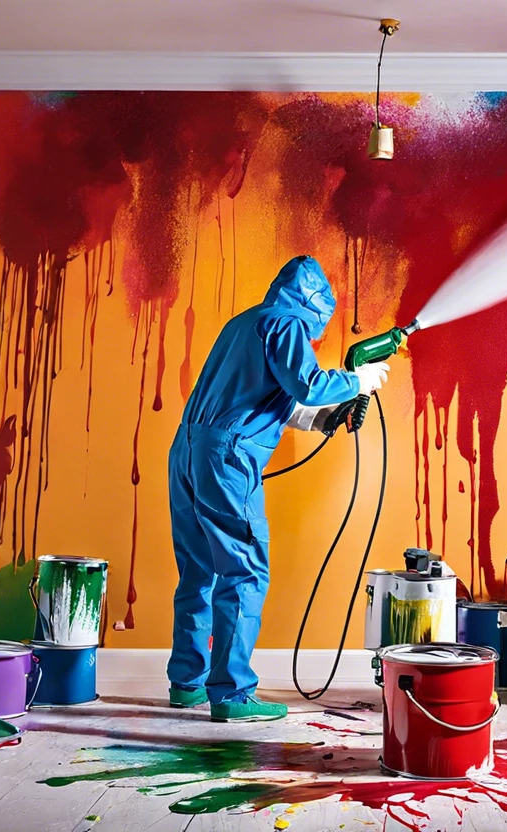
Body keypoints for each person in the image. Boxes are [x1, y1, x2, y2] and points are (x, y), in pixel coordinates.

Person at [166, 255, 389, 721]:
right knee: (244, 570)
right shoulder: (287, 324)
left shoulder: (244, 323)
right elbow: (307, 384)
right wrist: (359, 380)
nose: (313, 338)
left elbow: (266, 397)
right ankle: (230, 695)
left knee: (198, 570)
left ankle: (186, 682)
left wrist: (321, 420)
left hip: (188, 449)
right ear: (314, 307)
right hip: (226, 458)